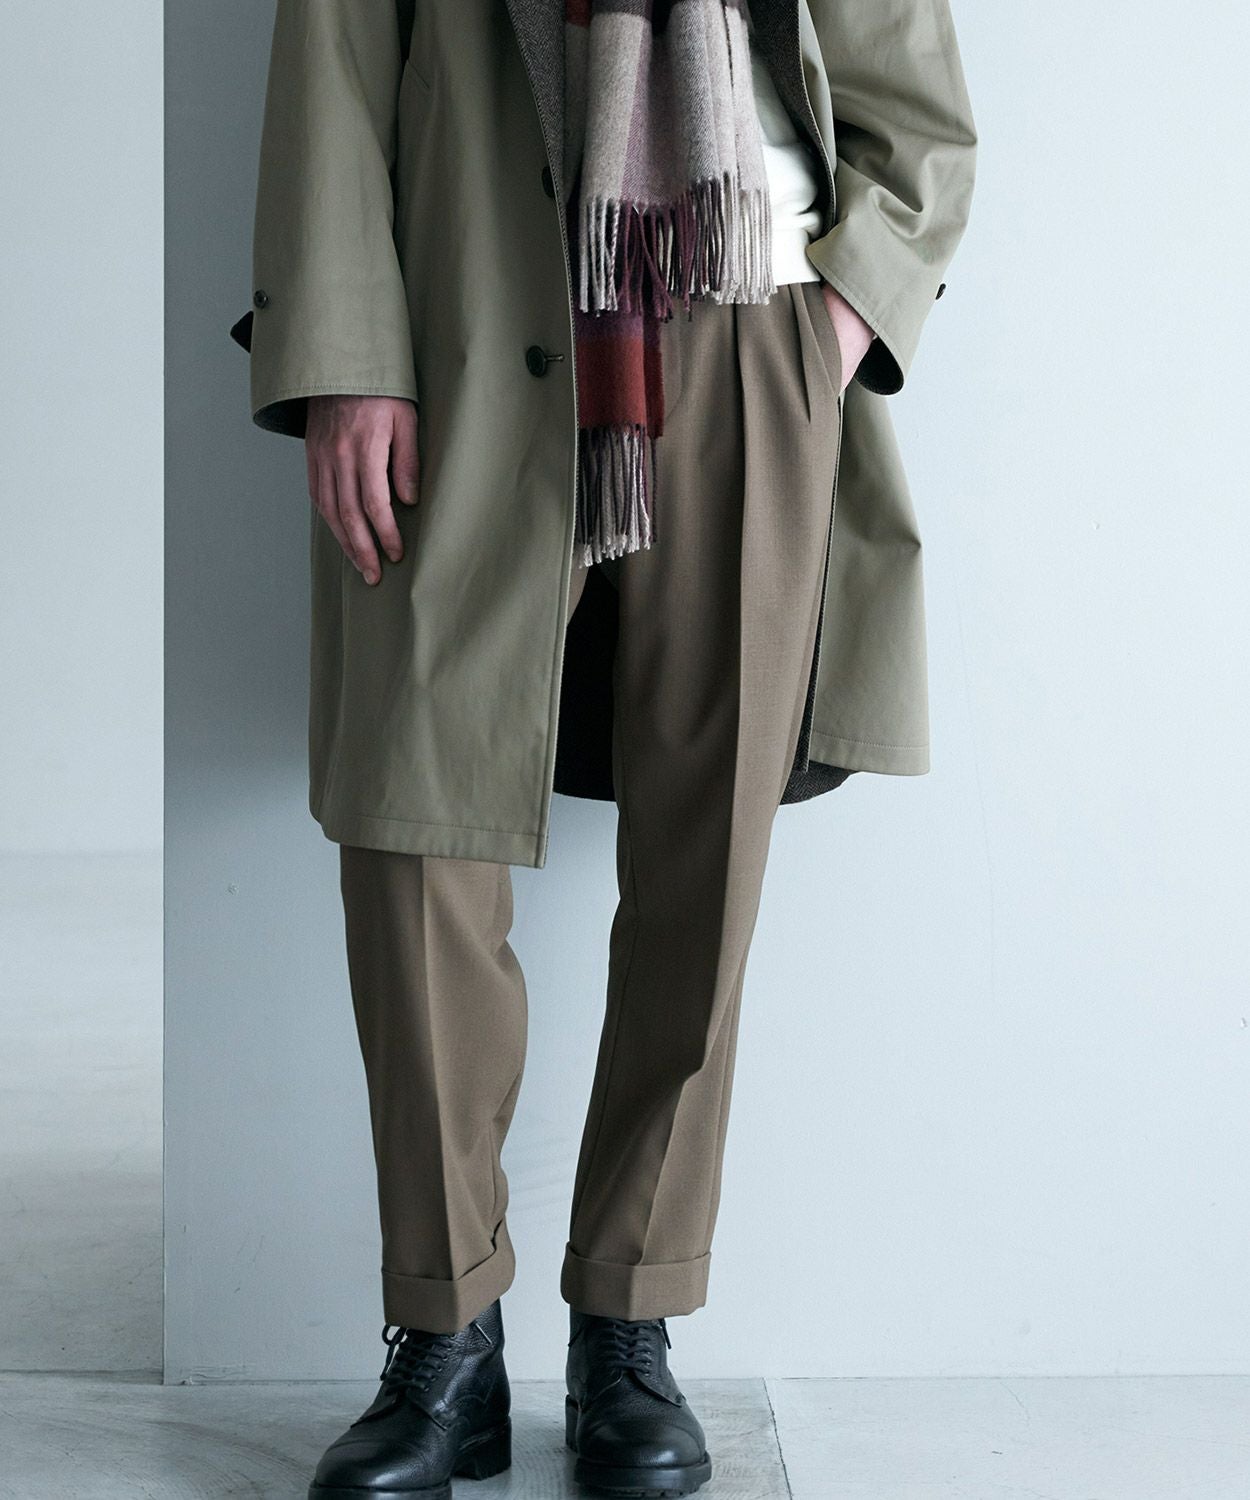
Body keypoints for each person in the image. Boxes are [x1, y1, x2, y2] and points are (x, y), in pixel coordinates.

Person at [238, 2, 975, 1495]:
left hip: (749, 317)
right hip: (465, 312)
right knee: (415, 827)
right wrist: (345, 354)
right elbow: (334, 62)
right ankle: (443, 1334)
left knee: (710, 840)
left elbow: (915, 107)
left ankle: (629, 1320)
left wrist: (833, 321)